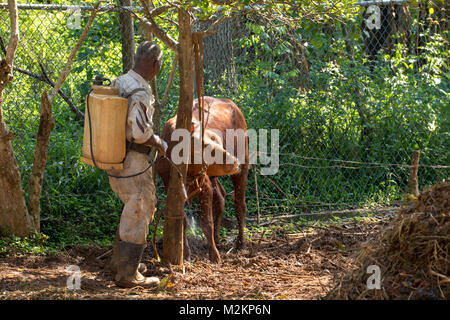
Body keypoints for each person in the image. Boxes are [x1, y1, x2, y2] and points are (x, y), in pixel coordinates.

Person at [107, 41, 167, 288]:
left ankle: (120, 264)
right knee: (140, 208)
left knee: (132, 207)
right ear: (155, 64)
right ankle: (127, 275)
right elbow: (139, 132)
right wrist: (159, 142)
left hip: (113, 156)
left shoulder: (120, 82)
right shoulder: (141, 91)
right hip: (133, 159)